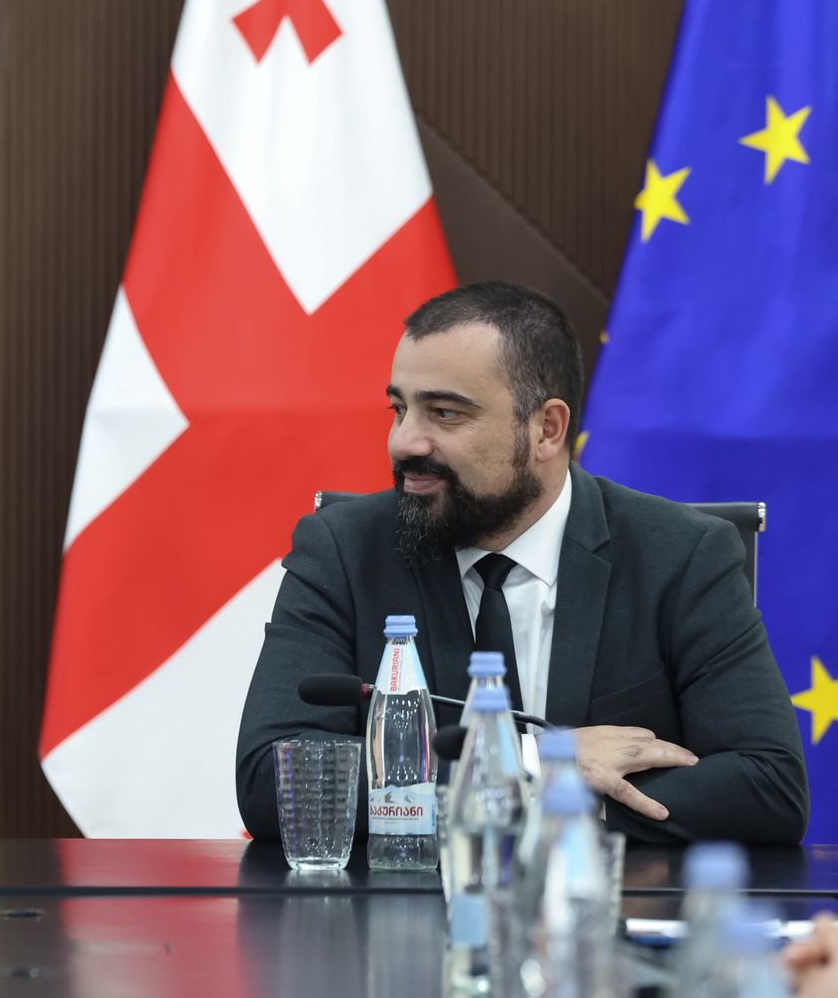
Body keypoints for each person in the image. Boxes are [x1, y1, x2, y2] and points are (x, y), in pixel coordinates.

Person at [236, 281, 808, 844]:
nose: (404, 442)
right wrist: (540, 765)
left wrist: (499, 800)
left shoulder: (680, 556)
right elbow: (275, 776)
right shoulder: (343, 550)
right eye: (399, 409)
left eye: (444, 413)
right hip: (403, 903)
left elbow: (768, 786)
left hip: (602, 901)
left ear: (546, 430)